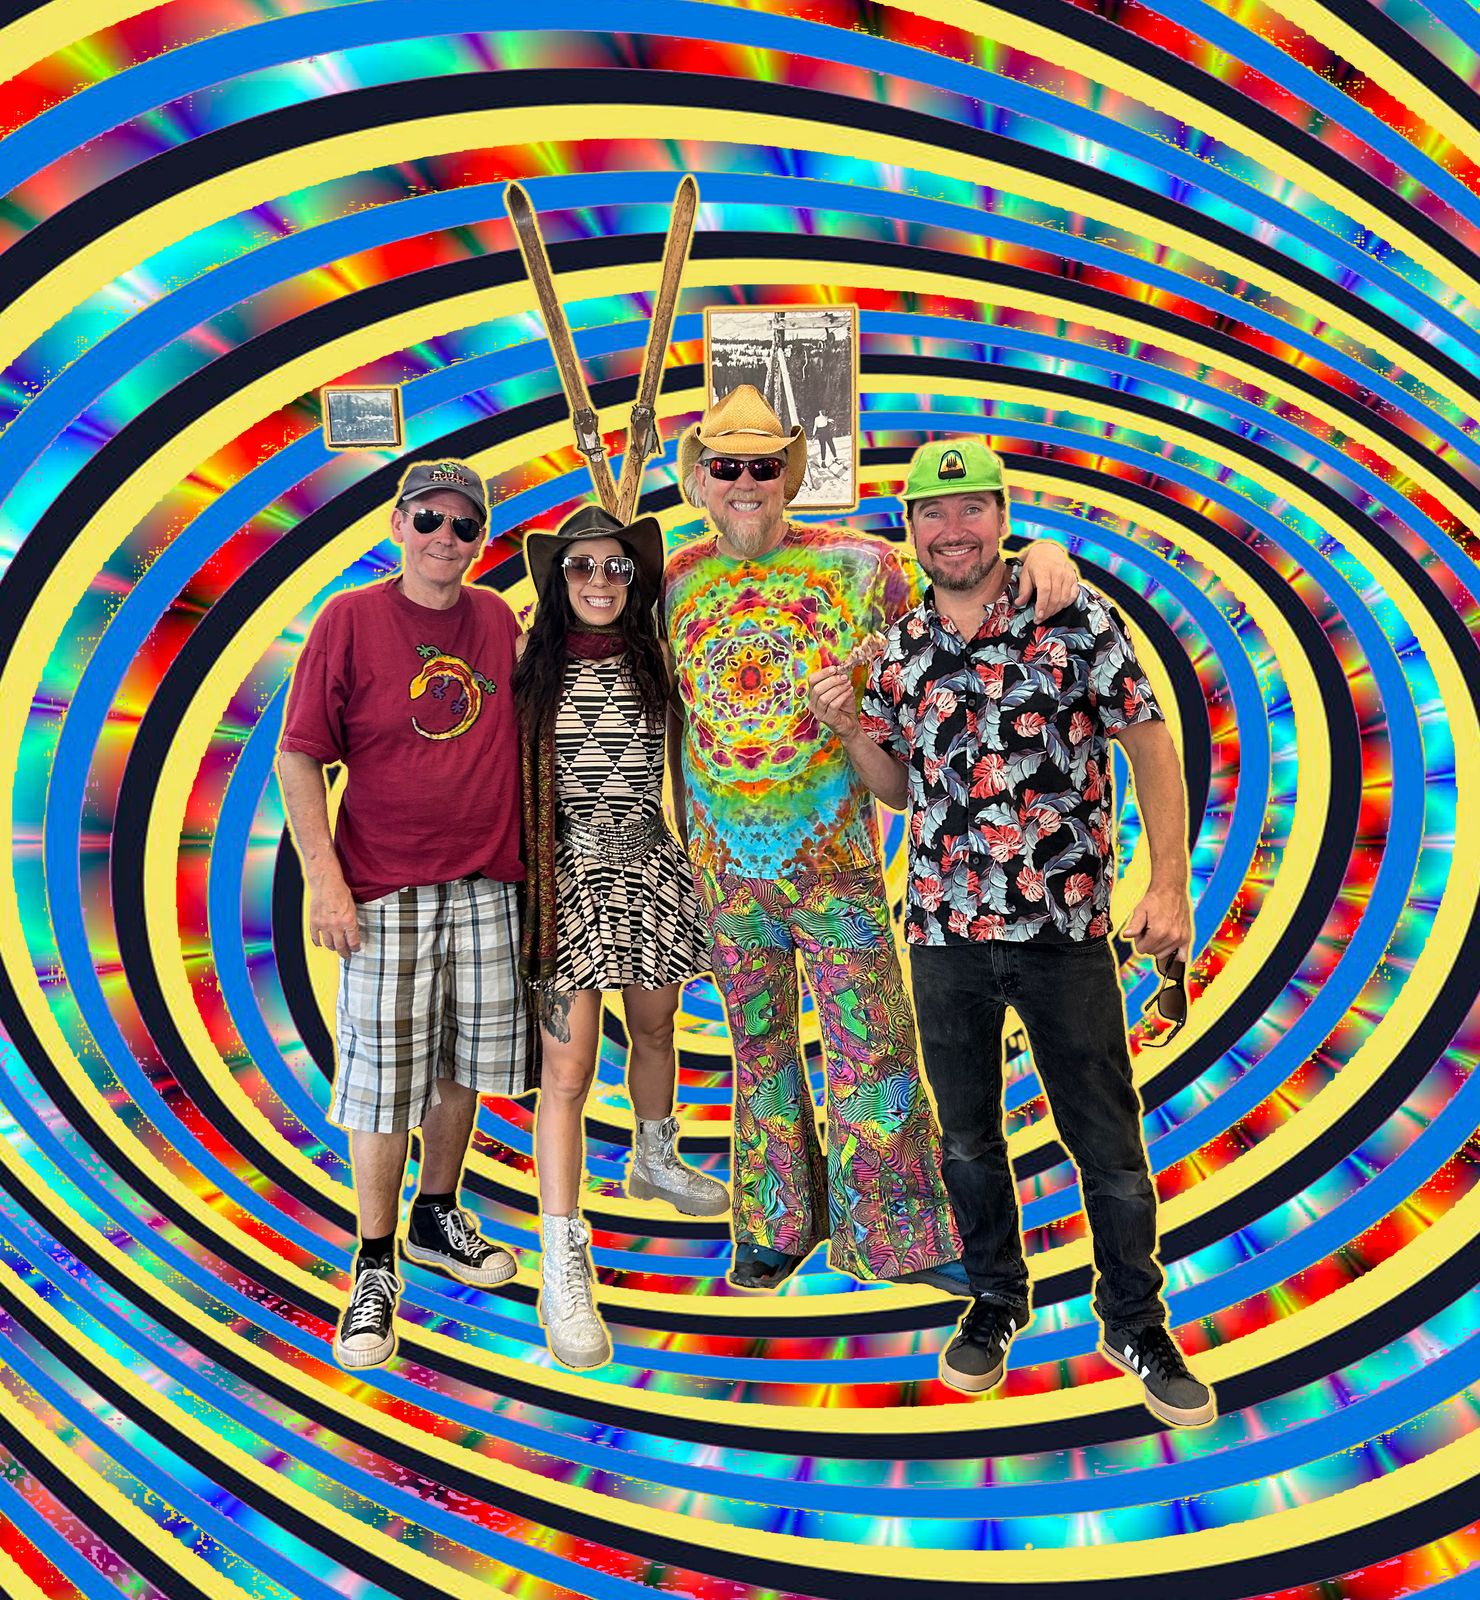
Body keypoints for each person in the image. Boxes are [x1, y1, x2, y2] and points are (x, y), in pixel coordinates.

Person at [807, 436, 1215, 1427]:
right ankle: (996, 1298)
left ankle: (1134, 1318)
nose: (953, 530)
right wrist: (852, 729)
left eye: (971, 509)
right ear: (911, 528)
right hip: (943, 931)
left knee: (1106, 1141)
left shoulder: (1073, 615)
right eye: (932, 514)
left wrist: (1171, 883)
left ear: (1001, 515)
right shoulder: (901, 649)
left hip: (1063, 929)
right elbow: (900, 790)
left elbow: (1150, 743)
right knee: (966, 1139)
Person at [665, 386, 1079, 1293]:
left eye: (763, 465)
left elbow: (961, 594)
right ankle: (777, 1223)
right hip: (723, 872)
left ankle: (899, 1238)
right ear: (701, 481)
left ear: (789, 476)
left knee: (874, 1048)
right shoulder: (672, 581)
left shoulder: (862, 566)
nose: (745, 482)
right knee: (759, 1049)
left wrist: (1043, 553)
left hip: (837, 864)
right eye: (727, 466)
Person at [278, 459, 531, 1370]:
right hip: (384, 890)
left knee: (464, 1064)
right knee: (383, 1083)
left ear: (481, 540)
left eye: (464, 526)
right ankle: (375, 1260)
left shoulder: (496, 620)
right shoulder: (348, 619)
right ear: (397, 525)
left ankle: (436, 1213)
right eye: (429, 520)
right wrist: (324, 878)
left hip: (489, 887)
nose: (445, 539)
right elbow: (299, 754)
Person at [514, 504, 726, 1369]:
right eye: (582, 566)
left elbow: (693, 760)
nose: (600, 580)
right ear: (558, 581)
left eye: (615, 567)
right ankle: (562, 1258)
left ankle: (653, 1157)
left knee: (656, 1030)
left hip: (648, 864)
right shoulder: (529, 667)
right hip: (566, 877)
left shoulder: (656, 660)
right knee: (566, 1073)